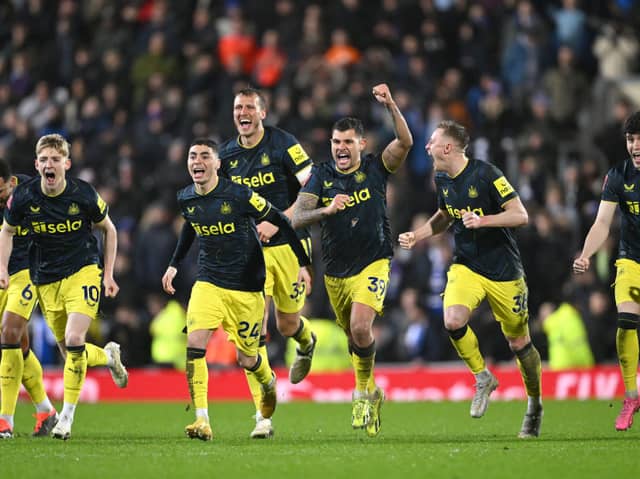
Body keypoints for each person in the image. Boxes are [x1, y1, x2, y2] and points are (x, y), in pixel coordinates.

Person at [398, 120, 543, 438]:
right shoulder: (441, 178)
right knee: (452, 320)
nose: (427, 146)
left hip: (504, 271)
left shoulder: (486, 173)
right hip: (467, 266)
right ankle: (482, 377)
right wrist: (419, 234)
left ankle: (534, 405)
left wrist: (484, 220)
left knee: (519, 342)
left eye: (432, 141)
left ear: (447, 147)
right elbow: (445, 216)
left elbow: (521, 215)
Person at [161, 138, 311, 441]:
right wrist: (174, 263)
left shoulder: (240, 195)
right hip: (209, 282)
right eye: (192, 156)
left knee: (247, 358)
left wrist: (304, 263)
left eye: (205, 156)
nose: (197, 161)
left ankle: (266, 384)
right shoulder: (186, 197)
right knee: (195, 345)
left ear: (218, 164)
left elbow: (280, 219)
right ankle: (202, 419)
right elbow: (191, 224)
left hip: (246, 286)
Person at [292, 83, 413, 437]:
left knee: (362, 327)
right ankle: (373, 390)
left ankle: (361, 393)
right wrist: (327, 209)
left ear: (362, 144)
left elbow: (405, 142)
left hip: (375, 260)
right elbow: (298, 217)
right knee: (354, 338)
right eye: (336, 142)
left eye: (347, 142)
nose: (341, 148)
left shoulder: (376, 168)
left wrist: (391, 104)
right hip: (336, 270)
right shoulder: (322, 175)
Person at [0, 134, 127, 440]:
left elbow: (108, 229)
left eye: (55, 160)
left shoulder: (82, 194)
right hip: (46, 279)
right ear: (36, 164)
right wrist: (2, 268)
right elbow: (7, 231)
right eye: (43, 160)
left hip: (83, 271)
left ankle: (64, 419)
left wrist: (108, 274)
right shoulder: (25, 198)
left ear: (66, 164)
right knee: (71, 352)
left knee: (72, 338)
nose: (49, 165)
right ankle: (109, 358)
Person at [218, 87, 315, 438]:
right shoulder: (225, 156)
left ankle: (306, 341)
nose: (242, 112)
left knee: (287, 324)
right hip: (249, 253)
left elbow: (311, 189)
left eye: (248, 107)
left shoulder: (284, 144)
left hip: (287, 246)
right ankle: (263, 415)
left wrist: (278, 218)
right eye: (237, 107)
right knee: (252, 333)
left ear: (262, 113)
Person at [573, 111, 640, 431]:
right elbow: (602, 223)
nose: (635, 145)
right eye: (631, 139)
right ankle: (631, 395)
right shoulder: (618, 176)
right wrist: (586, 253)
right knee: (627, 322)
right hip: (631, 260)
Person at [0, 159, 58, 438]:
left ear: (11, 182)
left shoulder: (33, 190)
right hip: (1, 272)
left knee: (9, 332)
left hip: (27, 272)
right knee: (18, 344)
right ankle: (46, 410)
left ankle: (4, 422)